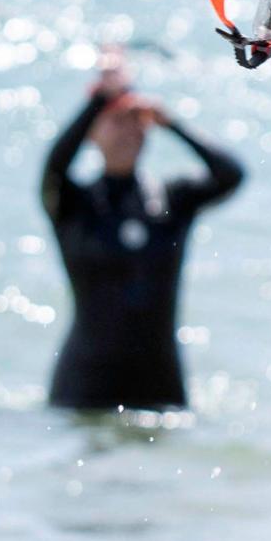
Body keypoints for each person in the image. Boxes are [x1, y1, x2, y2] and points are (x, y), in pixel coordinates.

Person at [40, 56, 244, 412]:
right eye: (115, 122)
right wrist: (100, 98)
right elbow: (54, 168)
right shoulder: (74, 206)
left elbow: (231, 175)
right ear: (92, 133)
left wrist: (172, 123)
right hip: (84, 387)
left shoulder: (171, 202)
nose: (127, 131)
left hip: (160, 385)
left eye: (135, 121)